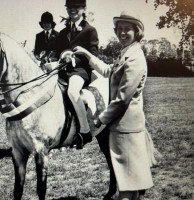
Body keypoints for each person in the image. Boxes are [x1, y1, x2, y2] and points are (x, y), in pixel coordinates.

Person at [74, 11, 155, 200]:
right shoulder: (127, 53)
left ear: (137, 32)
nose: (122, 33)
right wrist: (86, 54)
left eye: (127, 29)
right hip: (123, 126)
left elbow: (122, 98)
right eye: (119, 29)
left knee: (126, 186)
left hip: (126, 128)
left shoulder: (135, 58)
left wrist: (99, 120)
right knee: (130, 184)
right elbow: (108, 71)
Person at [55, 0, 99, 149]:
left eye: (76, 7)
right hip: (62, 71)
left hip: (80, 71)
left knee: (73, 92)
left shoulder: (89, 30)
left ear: (83, 9)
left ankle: (85, 131)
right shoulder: (63, 32)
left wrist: (75, 59)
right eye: (69, 7)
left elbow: (93, 54)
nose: (72, 10)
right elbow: (57, 53)